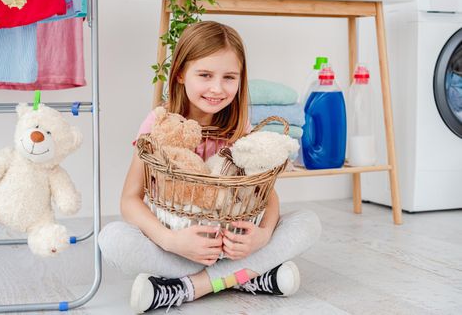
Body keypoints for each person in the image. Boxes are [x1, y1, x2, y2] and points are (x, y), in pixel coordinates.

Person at [99, 21, 322, 313]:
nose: (217, 88)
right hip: (181, 246)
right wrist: (171, 241)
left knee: (308, 222)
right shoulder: (159, 125)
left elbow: (266, 196)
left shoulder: (240, 129)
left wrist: (263, 236)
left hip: (232, 246)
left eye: (229, 77)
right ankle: (246, 277)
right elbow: (129, 199)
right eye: (205, 75)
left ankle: (191, 286)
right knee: (112, 238)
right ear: (180, 73)